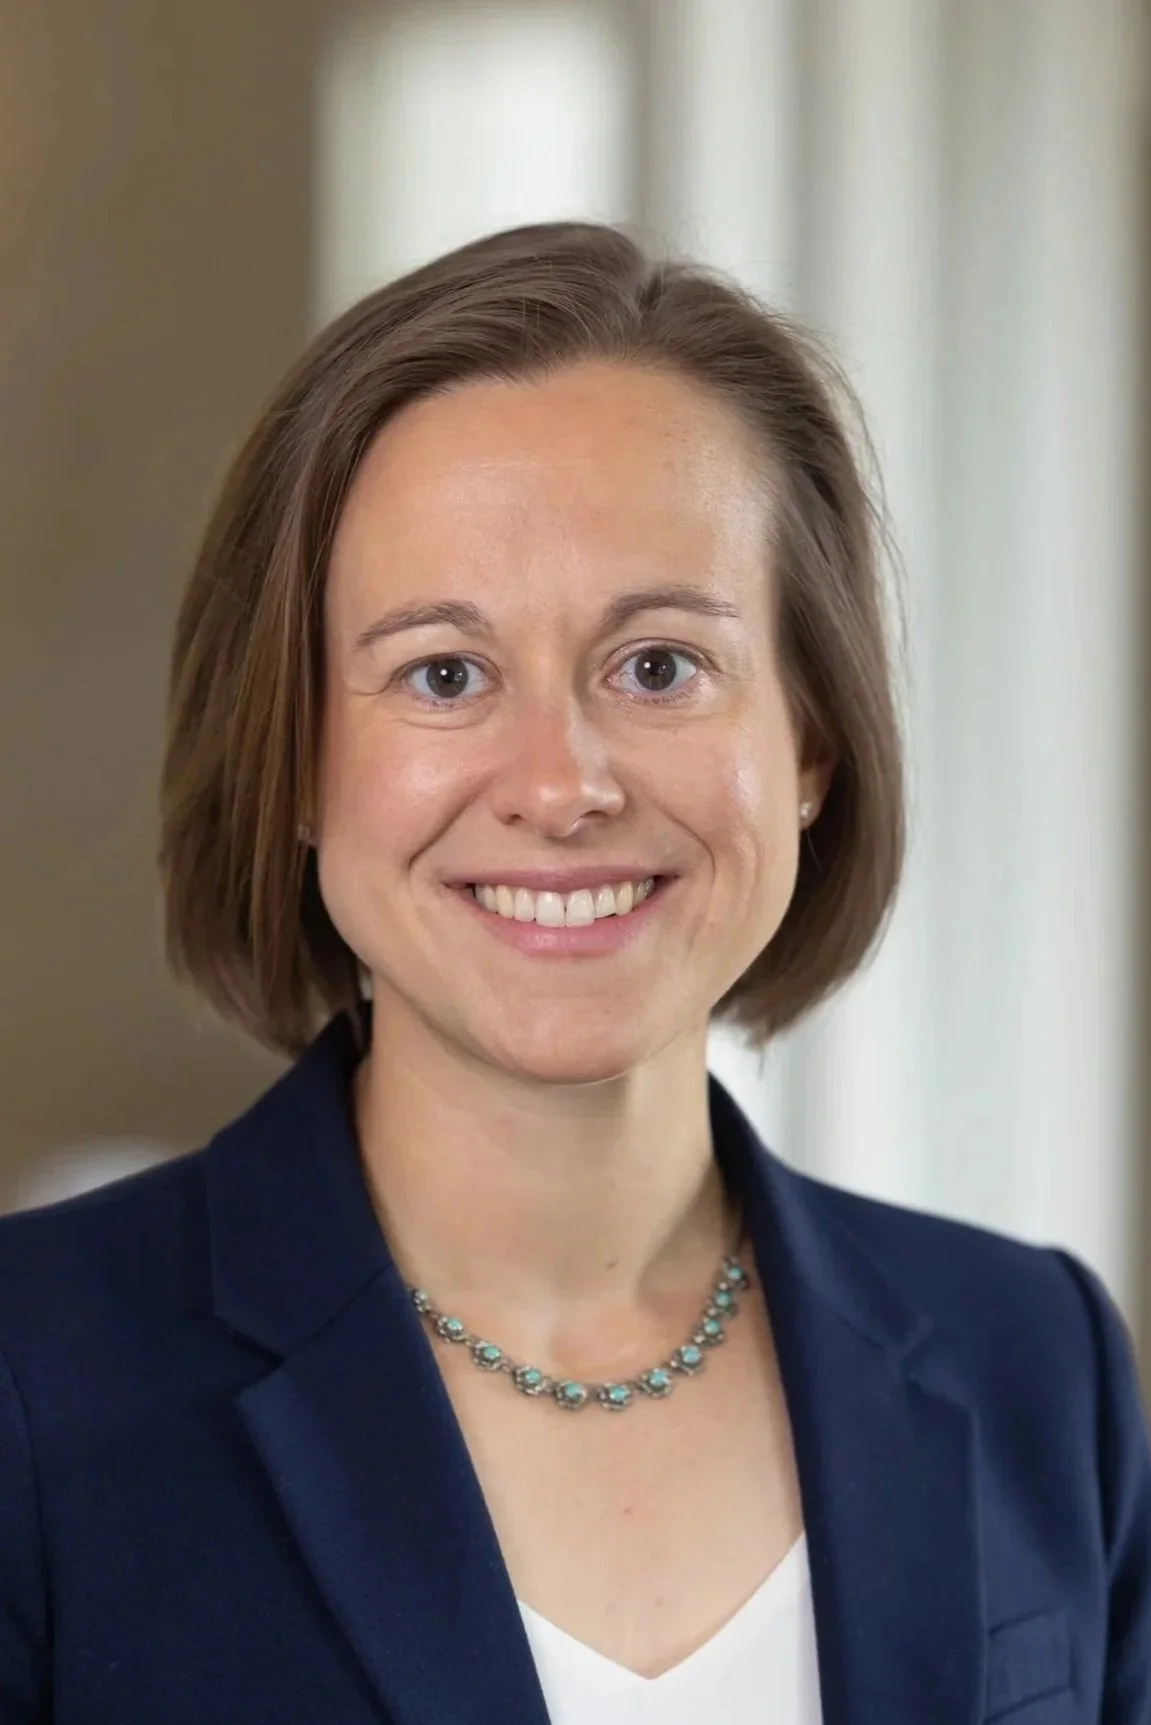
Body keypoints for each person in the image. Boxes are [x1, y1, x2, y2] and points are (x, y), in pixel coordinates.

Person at [0, 221, 1147, 1725]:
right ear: (291, 759)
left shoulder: (1034, 1361)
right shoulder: (30, 1382)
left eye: (658, 665)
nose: (560, 784)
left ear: (806, 738)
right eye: (444, 674)